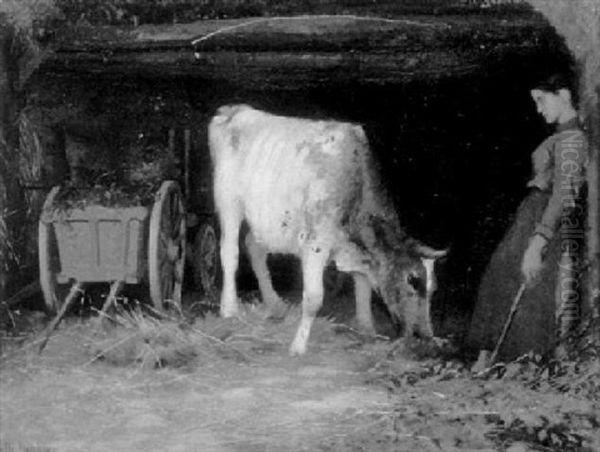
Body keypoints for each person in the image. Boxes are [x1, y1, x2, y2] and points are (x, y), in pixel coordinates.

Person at [467, 72, 589, 360]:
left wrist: (538, 241)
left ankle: (514, 359)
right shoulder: (561, 135)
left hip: (545, 219)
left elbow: (562, 193)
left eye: (541, 100)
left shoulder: (572, 139)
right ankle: (491, 357)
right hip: (532, 216)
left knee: (528, 282)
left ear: (564, 96)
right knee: (502, 275)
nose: (538, 108)